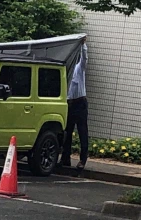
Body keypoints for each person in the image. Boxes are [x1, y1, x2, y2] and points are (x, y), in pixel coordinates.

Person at [58, 37, 88, 170]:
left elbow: (84, 59)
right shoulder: (66, 71)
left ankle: (83, 159)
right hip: (69, 104)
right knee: (67, 132)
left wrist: (83, 45)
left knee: (82, 131)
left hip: (80, 103)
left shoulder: (78, 69)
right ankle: (65, 158)